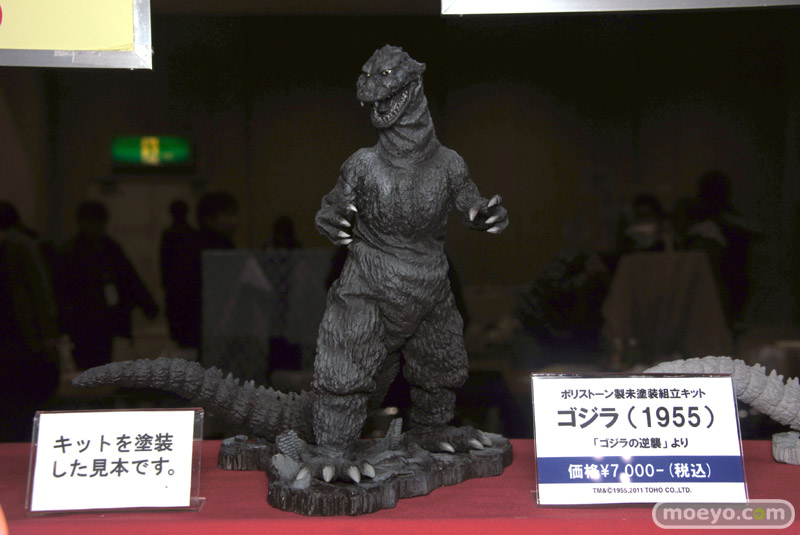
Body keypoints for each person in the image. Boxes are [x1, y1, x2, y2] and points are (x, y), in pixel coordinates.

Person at [56, 201, 158, 369]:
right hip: (83, 319)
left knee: (100, 360)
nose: (96, 228)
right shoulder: (73, 252)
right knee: (88, 361)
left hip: (104, 319)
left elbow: (129, 278)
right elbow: (62, 289)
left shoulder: (108, 249)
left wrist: (148, 305)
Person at [0, 201, 60, 441]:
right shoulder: (22, 244)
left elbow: (38, 291)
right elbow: (40, 292)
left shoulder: (19, 246)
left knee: (15, 400)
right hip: (21, 336)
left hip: (18, 335)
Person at [160, 200, 197, 348]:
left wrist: (165, 281)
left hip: (175, 285)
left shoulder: (169, 234)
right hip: (187, 284)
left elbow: (164, 261)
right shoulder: (192, 233)